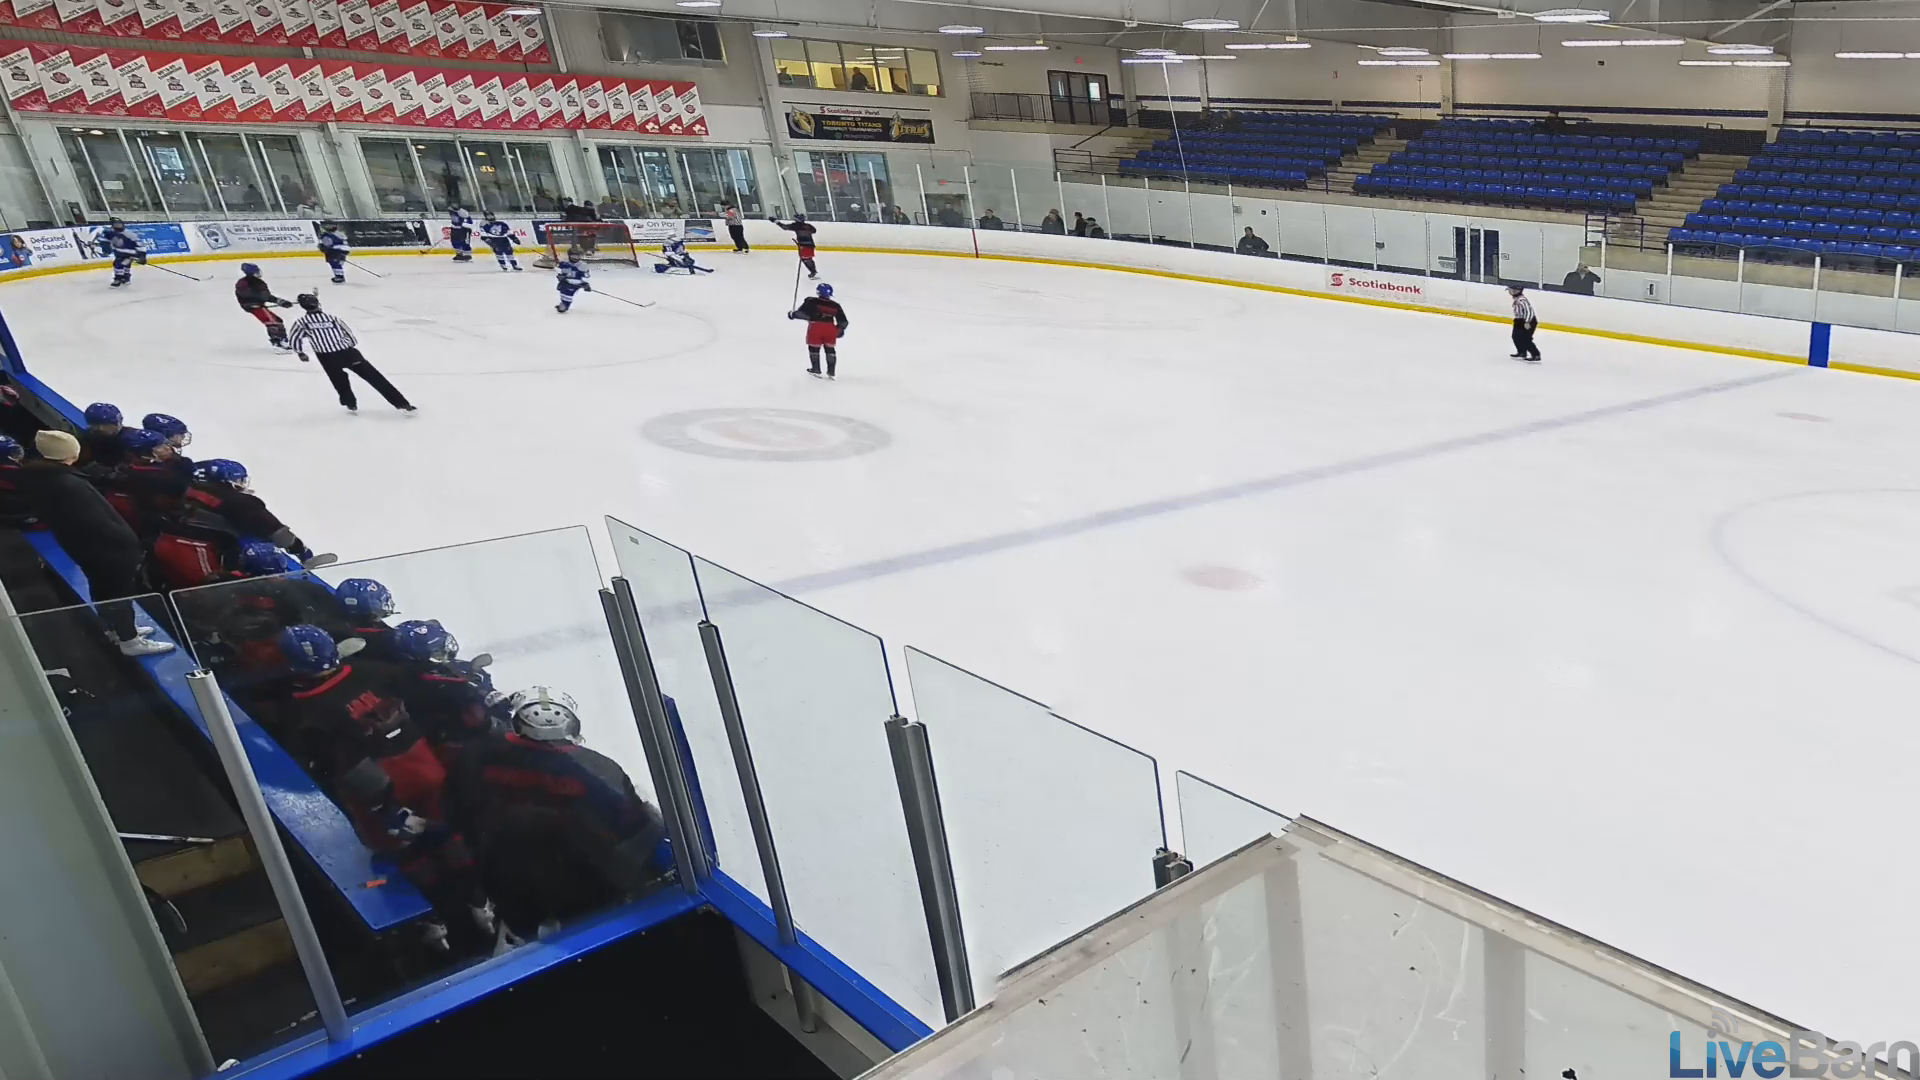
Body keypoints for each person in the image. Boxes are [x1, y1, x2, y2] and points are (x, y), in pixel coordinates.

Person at [277, 624, 486, 951]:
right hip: (425, 769)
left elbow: (341, 766)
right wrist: (463, 681)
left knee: (407, 850)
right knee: (448, 832)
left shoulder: (304, 714)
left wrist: (385, 809)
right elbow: (424, 681)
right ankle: (478, 899)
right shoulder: (372, 671)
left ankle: (435, 918)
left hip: (383, 791)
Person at [445, 686, 668, 942]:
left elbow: (456, 812)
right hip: (584, 888)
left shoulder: (476, 756)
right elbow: (630, 823)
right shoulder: (596, 768)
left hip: (505, 882)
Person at [16, 430, 172, 656]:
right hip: (105, 549)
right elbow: (96, 521)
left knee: (102, 586)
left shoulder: (44, 477)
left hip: (83, 546)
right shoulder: (68, 483)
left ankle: (116, 628)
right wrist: (128, 544)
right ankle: (129, 640)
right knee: (117, 591)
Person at [287, 294, 416, 414]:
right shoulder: (333, 319)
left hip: (326, 357)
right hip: (348, 353)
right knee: (375, 378)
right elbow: (351, 337)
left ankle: (350, 404)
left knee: (339, 381)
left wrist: (300, 353)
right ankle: (402, 404)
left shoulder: (301, 322)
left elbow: (294, 339)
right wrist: (345, 346)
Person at [184, 458, 312, 561]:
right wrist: (299, 549)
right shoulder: (242, 503)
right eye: (239, 479)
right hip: (231, 555)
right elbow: (276, 532)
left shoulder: (184, 492)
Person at [789, 282, 849, 379]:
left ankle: (816, 369)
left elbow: (804, 314)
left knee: (814, 348)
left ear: (818, 292)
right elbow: (843, 321)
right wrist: (839, 330)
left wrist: (793, 314)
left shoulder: (811, 301)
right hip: (830, 328)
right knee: (830, 349)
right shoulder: (836, 306)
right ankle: (831, 371)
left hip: (816, 327)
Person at [234, 263, 296, 349]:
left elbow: (263, 296)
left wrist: (279, 301)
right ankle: (278, 344)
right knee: (272, 322)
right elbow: (264, 296)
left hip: (254, 305)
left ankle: (282, 341)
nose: (259, 272)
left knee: (277, 321)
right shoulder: (254, 283)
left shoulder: (244, 282)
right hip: (255, 306)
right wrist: (279, 301)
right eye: (256, 271)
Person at [97, 219, 146, 288]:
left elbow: (140, 244)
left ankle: (118, 279)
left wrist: (142, 256)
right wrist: (105, 248)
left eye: (119, 225)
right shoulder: (110, 233)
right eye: (116, 225)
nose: (118, 227)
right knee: (125, 264)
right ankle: (126, 277)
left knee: (119, 263)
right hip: (120, 253)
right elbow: (105, 241)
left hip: (131, 253)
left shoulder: (129, 234)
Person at [78, 402, 126, 468]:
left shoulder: (130, 441)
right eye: (95, 424)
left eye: (106, 425)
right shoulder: (87, 439)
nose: (100, 428)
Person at [772, 214, 820, 278]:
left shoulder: (796, 226)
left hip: (803, 245)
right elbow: (814, 231)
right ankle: (813, 271)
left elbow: (784, 227)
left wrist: (776, 221)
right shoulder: (808, 226)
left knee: (806, 259)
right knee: (808, 258)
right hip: (810, 245)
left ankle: (813, 272)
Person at [1509, 286, 1541, 363]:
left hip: (1528, 321)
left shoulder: (1522, 300)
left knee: (1526, 339)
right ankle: (1522, 352)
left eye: (1511, 290)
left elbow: (1529, 312)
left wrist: (1527, 322)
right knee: (1515, 336)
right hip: (1519, 320)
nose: (1510, 292)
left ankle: (1536, 354)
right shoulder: (1517, 300)